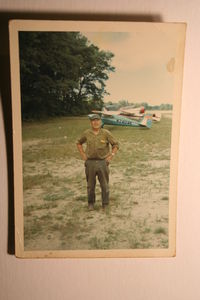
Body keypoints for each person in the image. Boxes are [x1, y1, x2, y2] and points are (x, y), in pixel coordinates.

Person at [77, 114, 119, 210]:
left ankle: (105, 204)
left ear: (100, 121)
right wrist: (83, 154)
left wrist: (111, 155)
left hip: (103, 163)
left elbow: (116, 145)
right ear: (90, 122)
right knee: (90, 185)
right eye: (93, 120)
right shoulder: (86, 133)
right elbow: (78, 142)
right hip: (90, 163)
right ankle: (91, 203)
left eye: (97, 120)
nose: (95, 122)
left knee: (104, 185)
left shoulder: (106, 133)